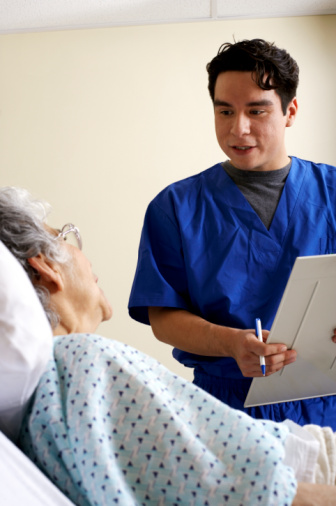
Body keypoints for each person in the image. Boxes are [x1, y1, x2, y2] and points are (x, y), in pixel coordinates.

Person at [1, 186, 336, 505]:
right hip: (311, 465)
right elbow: (261, 494)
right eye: (67, 235)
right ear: (45, 267)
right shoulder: (82, 362)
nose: (84, 255)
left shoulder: (41, 417)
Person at [128, 38, 336, 428]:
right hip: (224, 409)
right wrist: (232, 343)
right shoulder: (175, 206)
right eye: (225, 111)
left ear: (290, 111)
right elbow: (163, 316)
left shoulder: (332, 192)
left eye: (256, 111)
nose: (238, 129)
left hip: (327, 401)